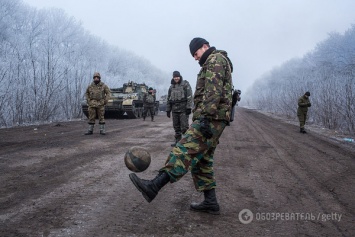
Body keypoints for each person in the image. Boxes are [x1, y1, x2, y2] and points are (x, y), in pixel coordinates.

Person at [129, 37, 233, 215]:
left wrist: (206, 118)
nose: (195, 57)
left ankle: (154, 186)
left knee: (183, 150)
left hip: (211, 118)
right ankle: (210, 201)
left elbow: (212, 91)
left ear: (204, 46)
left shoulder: (215, 59)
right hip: (214, 118)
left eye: (196, 53)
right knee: (202, 161)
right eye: (193, 55)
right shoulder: (214, 61)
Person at [166, 71, 193, 147]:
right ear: (173, 77)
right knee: (176, 127)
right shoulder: (171, 87)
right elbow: (168, 99)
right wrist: (168, 110)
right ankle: (177, 141)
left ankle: (186, 142)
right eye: (175, 77)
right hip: (174, 110)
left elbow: (189, 96)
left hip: (183, 109)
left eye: (177, 77)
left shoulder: (185, 84)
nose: (176, 78)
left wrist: (188, 107)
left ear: (180, 76)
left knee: (184, 127)